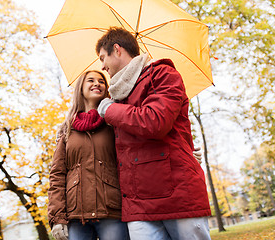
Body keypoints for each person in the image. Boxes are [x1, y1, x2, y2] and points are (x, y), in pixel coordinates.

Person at [96, 27, 211, 240]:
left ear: (117, 49)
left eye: (103, 58)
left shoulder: (163, 75)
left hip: (177, 193)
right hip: (137, 202)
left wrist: (110, 110)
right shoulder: (117, 97)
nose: (102, 66)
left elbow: (155, 121)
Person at [47, 70, 130, 240]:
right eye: (90, 80)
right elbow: (57, 175)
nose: (97, 83)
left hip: (111, 211)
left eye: (101, 81)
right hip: (76, 215)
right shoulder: (67, 130)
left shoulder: (113, 124)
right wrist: (57, 218)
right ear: (80, 89)